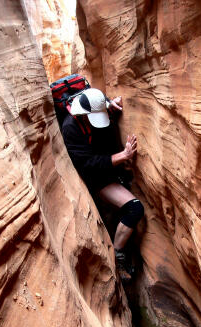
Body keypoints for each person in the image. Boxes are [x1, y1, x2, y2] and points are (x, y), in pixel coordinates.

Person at [61, 87, 144, 281]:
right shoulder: (70, 128)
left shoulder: (95, 107)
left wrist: (111, 104)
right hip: (97, 178)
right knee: (135, 209)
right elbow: (87, 165)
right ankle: (118, 257)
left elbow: (105, 107)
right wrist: (122, 156)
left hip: (111, 170)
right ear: (84, 115)